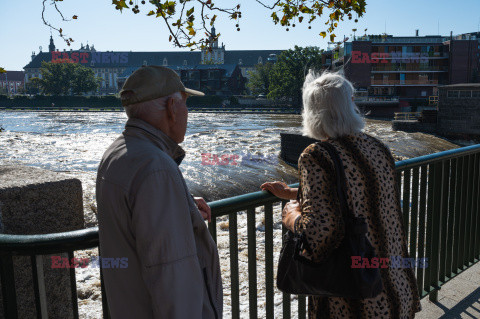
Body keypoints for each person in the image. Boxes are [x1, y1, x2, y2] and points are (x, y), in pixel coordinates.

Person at [261, 71, 421, 318]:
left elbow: (320, 231)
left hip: (355, 298)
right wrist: (293, 192)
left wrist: (291, 216)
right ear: (350, 105)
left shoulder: (317, 155)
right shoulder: (377, 147)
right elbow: (360, 196)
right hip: (395, 288)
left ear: (312, 112)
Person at [96, 65, 222, 318]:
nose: (187, 113)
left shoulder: (116, 153)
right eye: (186, 104)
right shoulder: (156, 168)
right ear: (172, 108)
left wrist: (181, 203)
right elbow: (171, 272)